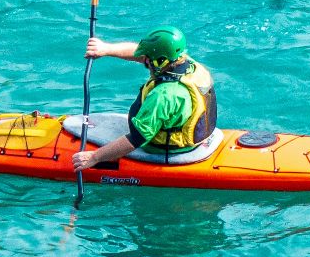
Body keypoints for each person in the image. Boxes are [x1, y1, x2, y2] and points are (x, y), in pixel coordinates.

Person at [71, 26, 218, 170]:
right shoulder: (190, 65)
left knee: (133, 138)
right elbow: (142, 55)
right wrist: (105, 49)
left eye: (148, 59)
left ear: (161, 61)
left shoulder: (164, 95)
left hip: (165, 148)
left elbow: (137, 139)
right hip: (196, 137)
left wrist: (94, 157)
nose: (144, 61)